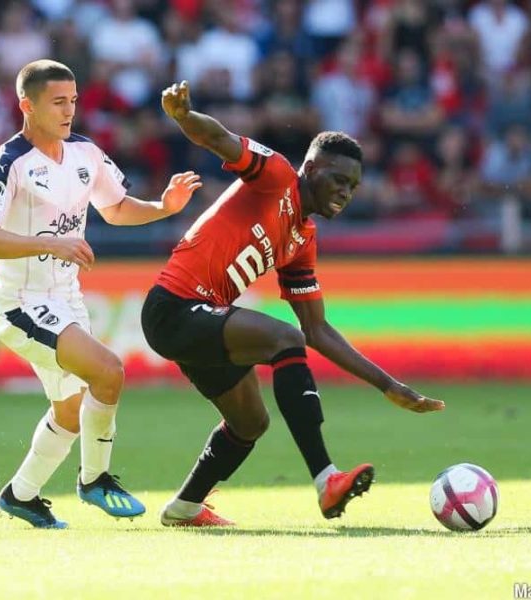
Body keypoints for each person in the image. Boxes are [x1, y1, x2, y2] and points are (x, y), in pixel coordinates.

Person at [141, 80, 444, 527]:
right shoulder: (276, 176)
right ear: (311, 167)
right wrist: (185, 117)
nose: (345, 191)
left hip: (204, 319)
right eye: (338, 179)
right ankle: (326, 480)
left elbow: (318, 329)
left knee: (249, 423)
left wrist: (388, 385)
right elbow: (220, 139)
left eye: (353, 186)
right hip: (173, 307)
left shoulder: (303, 239)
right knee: (285, 338)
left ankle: (185, 507)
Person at [0, 60, 201, 529]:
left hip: (66, 298)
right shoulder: (9, 161)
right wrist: (48, 243)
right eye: (58, 102)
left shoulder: (85, 154)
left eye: (73, 100)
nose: (69, 110)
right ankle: (95, 480)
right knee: (108, 372)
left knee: (72, 411)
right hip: (20, 302)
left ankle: (21, 495)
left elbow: (114, 209)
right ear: (27, 105)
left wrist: (163, 207)